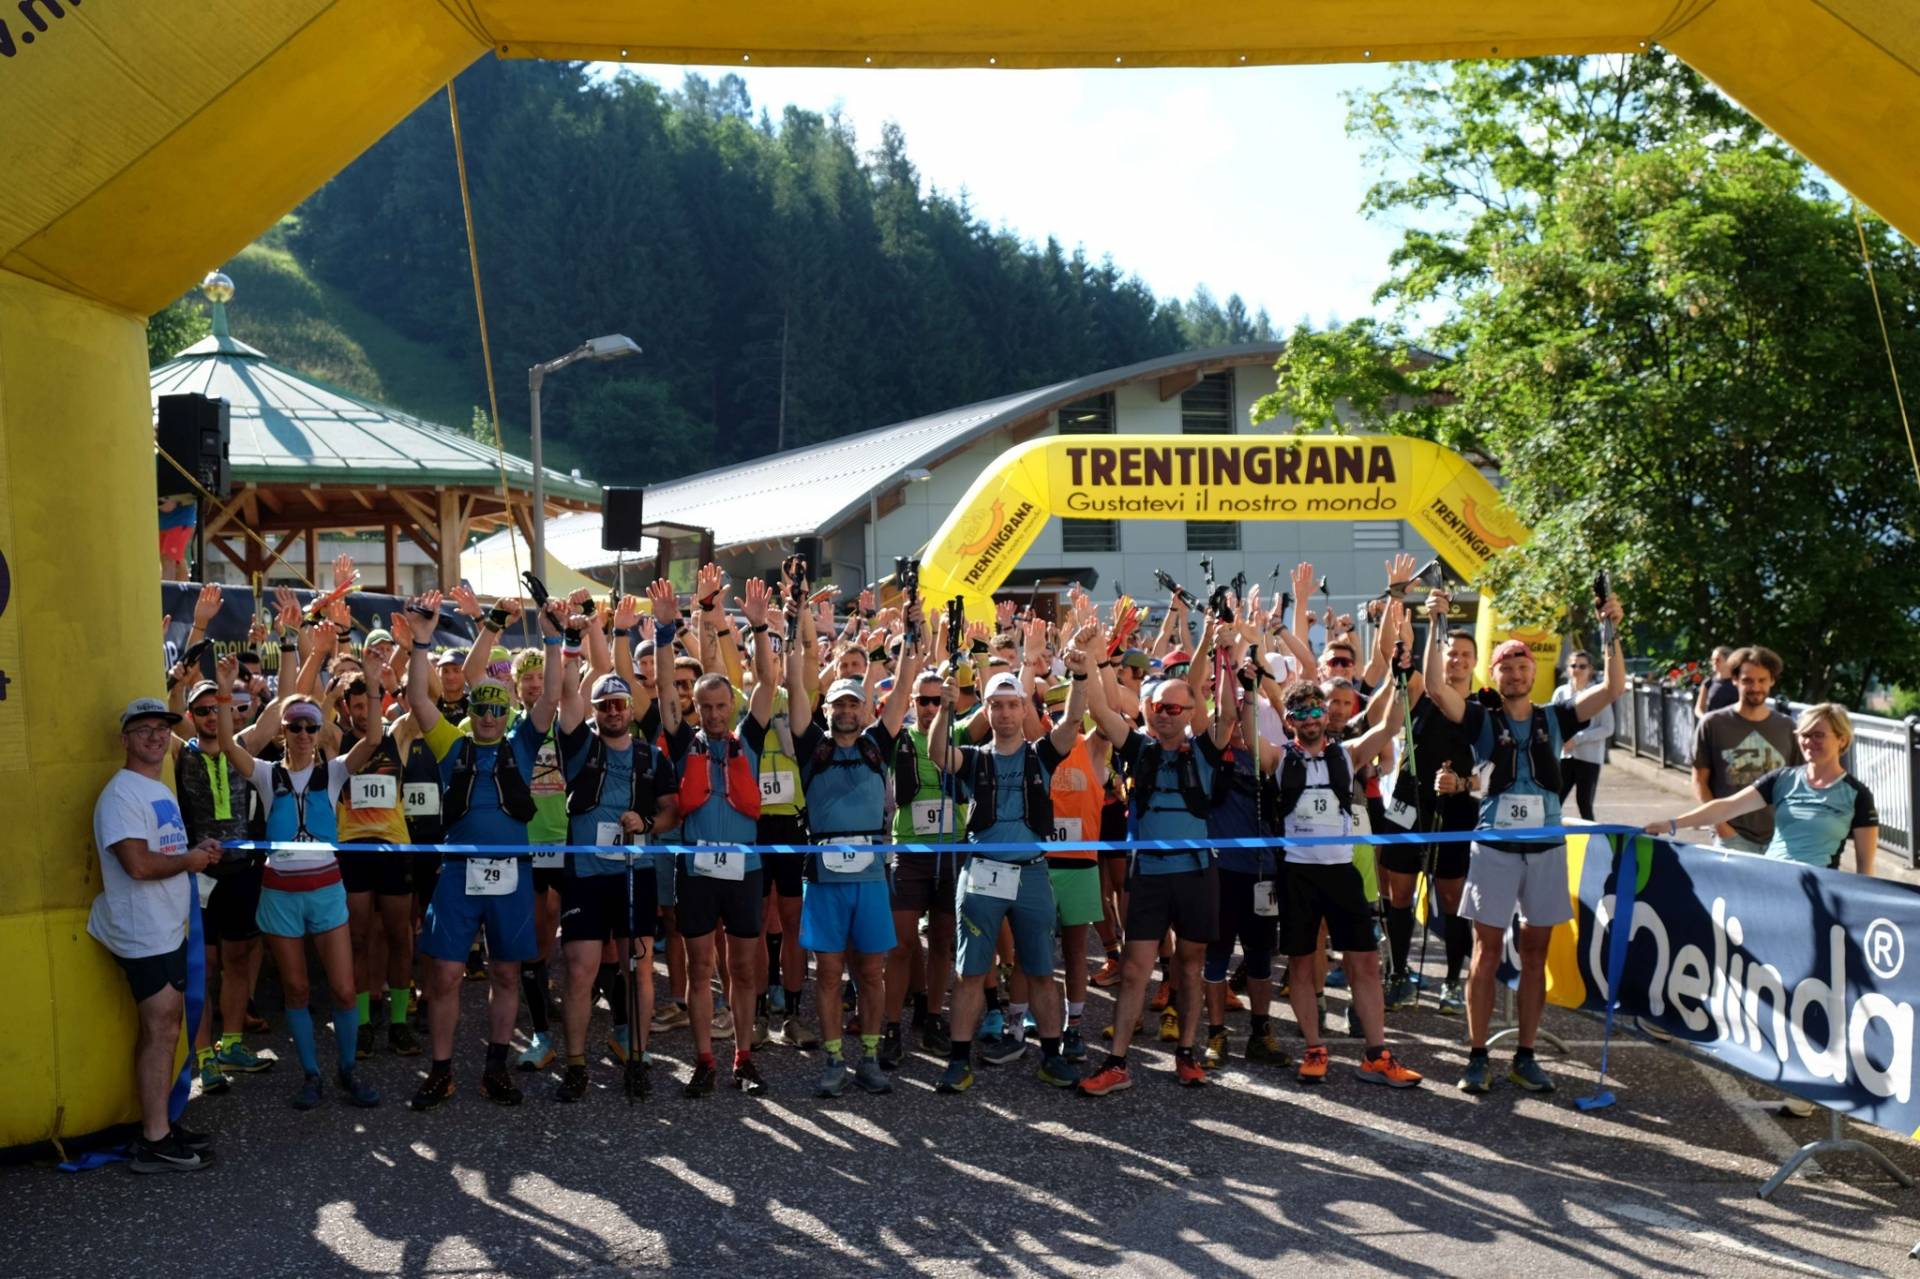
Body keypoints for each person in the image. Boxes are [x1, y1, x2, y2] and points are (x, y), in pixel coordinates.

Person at [1420, 587, 1626, 1095]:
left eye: (1521, 667)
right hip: (1494, 847)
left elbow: (1613, 686)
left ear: (1534, 673)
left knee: (1536, 953)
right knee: (1486, 951)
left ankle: (1526, 1055)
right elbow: (1434, 686)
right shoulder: (1480, 719)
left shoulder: (1555, 717)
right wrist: (1436, 624)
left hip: (1546, 848)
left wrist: (1611, 630)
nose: (1514, 675)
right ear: (1494, 676)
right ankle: (1477, 1056)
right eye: (1505, 668)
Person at [402, 591, 564, 1111]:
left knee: (506, 972)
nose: (490, 717)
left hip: (511, 873)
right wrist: (421, 643)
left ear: (507, 711)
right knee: (446, 973)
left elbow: (550, 698)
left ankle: (495, 1068)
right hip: (458, 871)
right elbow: (418, 700)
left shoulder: (522, 743)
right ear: (470, 712)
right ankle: (441, 1070)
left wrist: (554, 640)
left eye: (497, 709)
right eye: (481, 709)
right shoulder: (454, 743)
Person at [212, 654, 384, 1110]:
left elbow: (374, 738)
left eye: (311, 726)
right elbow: (228, 745)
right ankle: (311, 1074)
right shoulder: (268, 775)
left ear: (321, 730)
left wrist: (372, 683)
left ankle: (348, 1068)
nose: (304, 734)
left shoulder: (334, 772)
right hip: (281, 895)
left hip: (326, 892)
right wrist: (226, 691)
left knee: (343, 989)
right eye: (295, 727)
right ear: (283, 732)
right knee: (297, 990)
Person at [925, 639, 1097, 1095]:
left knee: (1040, 970)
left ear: (1024, 709)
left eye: (1011, 705)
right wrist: (945, 709)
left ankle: (1051, 1057)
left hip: (1032, 872)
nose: (1004, 713)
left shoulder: (1042, 753)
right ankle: (958, 1062)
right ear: (986, 711)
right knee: (970, 973)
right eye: (996, 706)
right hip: (982, 872)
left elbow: (1072, 721)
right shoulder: (974, 758)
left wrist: (1080, 677)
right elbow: (938, 754)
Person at [1078, 617, 1232, 1097]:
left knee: (1190, 967)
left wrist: (1225, 654)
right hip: (1148, 876)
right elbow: (1101, 711)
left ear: (1190, 712)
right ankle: (1116, 1061)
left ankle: (1186, 1053)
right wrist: (1089, 663)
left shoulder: (1205, 749)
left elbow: (1228, 714)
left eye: (1173, 708)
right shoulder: (1138, 748)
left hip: (1196, 875)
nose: (1163, 714)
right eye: (1157, 707)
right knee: (1134, 970)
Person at [787, 586, 920, 1095]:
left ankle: (868, 1056)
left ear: (866, 711)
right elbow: (795, 686)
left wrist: (912, 634)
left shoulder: (875, 745)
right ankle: (832, 1061)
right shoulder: (812, 747)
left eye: (854, 704)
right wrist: (796, 627)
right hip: (823, 875)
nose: (846, 710)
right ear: (827, 709)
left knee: (871, 972)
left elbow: (903, 688)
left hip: (869, 875)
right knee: (827, 974)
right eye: (839, 703)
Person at [90, 697, 225, 1172]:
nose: (154, 736)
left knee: (164, 1028)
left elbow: (163, 851)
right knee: (161, 1028)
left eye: (161, 729)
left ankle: (159, 1124)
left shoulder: (156, 788)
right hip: (142, 930)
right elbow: (139, 865)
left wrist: (195, 850)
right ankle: (154, 1138)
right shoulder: (121, 795)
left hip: (164, 927)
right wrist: (190, 860)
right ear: (124, 739)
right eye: (143, 729)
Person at [666, 575, 778, 1097]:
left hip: (744, 869)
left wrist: (758, 628)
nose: (712, 714)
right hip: (695, 870)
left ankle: (743, 1057)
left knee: (744, 969)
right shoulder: (682, 740)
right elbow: (663, 690)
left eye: (719, 706)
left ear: (730, 706)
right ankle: (704, 1059)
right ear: (696, 708)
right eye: (705, 707)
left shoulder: (748, 736)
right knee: (699, 967)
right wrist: (666, 630)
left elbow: (767, 685)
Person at [553, 668, 681, 1102]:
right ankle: (575, 1065)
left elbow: (671, 811)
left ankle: (638, 1058)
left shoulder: (651, 756)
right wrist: (570, 647)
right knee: (578, 970)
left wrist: (646, 823)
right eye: (604, 705)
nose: (612, 712)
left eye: (619, 704)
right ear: (594, 711)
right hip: (586, 876)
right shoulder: (579, 746)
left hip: (633, 873)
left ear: (630, 708)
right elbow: (566, 698)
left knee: (639, 967)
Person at [1374, 624, 1480, 1016]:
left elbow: (1494, 769)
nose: (1458, 660)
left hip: (1457, 808)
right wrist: (1398, 618)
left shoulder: (1484, 705)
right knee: (1399, 892)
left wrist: (1463, 783)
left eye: (1466, 655)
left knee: (1452, 898)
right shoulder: (1420, 690)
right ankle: (1398, 973)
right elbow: (1391, 656)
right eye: (1451, 653)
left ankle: (1452, 981)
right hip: (1409, 800)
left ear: (1475, 662)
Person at [1651, 703, 1877, 874]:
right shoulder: (1782, 779)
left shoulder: (1857, 794)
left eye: (1818, 735)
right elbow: (1727, 807)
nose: (1809, 742)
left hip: (1818, 889)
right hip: (1771, 880)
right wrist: (1672, 824)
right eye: (1804, 735)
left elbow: (1865, 868)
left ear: (1842, 740)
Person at [334, 666, 423, 1059]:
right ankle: (364, 1023)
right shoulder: (336, 741)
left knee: (399, 935)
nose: (362, 714)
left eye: (367, 705)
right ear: (346, 708)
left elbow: (424, 703)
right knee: (357, 939)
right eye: (355, 707)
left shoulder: (396, 735)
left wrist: (398, 672)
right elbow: (307, 708)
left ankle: (399, 1023)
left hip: (393, 849)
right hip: (352, 850)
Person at [885, 668, 965, 1062]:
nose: (930, 707)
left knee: (942, 941)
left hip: (951, 850)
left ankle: (932, 1017)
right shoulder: (898, 737)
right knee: (901, 943)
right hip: (910, 850)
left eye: (937, 700)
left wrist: (955, 703)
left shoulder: (958, 733)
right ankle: (891, 1026)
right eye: (923, 700)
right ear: (912, 702)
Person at [1690, 645, 1799, 853]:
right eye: (1747, 680)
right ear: (1735, 680)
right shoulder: (1713, 724)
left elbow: (1798, 783)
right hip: (1732, 836)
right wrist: (1721, 826)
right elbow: (1698, 780)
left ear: (1772, 681)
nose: (1755, 687)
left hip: (1781, 837)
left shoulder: (1787, 727)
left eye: (1762, 680)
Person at [1551, 651, 1613, 822]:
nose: (1577, 670)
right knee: (1554, 801)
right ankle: (1550, 835)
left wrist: (1577, 739)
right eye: (1573, 666)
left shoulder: (1598, 693)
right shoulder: (1561, 692)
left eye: (1582, 666)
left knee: (1584, 804)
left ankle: (1594, 838)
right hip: (1564, 757)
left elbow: (1608, 728)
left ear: (1590, 669)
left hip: (1589, 758)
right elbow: (1553, 723)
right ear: (1567, 669)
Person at [1695, 646, 1739, 717]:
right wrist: (1706, 719)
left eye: (1717, 660)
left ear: (1728, 661)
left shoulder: (1739, 681)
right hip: (1713, 723)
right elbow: (1698, 709)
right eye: (1712, 660)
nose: (1714, 662)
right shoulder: (1708, 682)